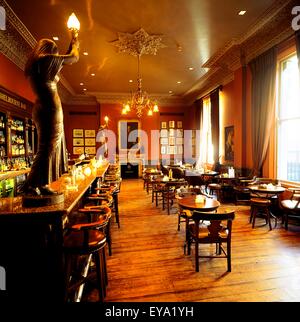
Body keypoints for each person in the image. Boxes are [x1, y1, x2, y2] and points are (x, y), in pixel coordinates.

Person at [22, 32, 79, 195]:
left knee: (49, 147)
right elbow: (73, 57)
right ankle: (31, 185)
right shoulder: (46, 60)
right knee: (47, 148)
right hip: (49, 108)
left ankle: (41, 184)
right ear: (50, 50)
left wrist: (70, 44)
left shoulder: (39, 65)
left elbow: (64, 61)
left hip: (43, 107)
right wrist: (75, 39)